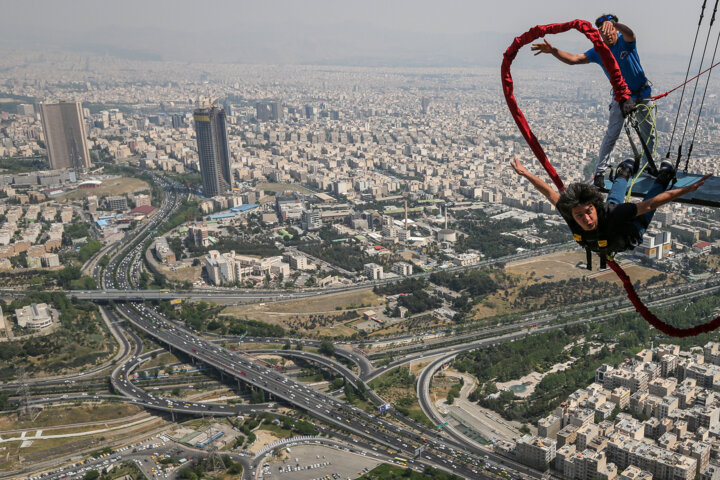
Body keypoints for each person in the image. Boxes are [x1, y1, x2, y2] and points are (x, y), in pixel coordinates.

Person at [510, 156, 711, 268]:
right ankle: (625, 171)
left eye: (588, 211)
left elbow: (649, 204)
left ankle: (663, 176)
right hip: (611, 233)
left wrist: (686, 190)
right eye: (579, 215)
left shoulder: (614, 213)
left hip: (630, 230)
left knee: (635, 207)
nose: (586, 219)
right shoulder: (572, 215)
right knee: (614, 201)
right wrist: (525, 173)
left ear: (594, 207)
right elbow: (550, 194)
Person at [531, 14, 656, 188]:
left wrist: (616, 25)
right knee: (612, 134)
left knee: (648, 133)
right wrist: (553, 51)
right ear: (599, 34)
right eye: (604, 34)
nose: (608, 36)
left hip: (642, 93)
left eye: (611, 31)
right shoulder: (599, 50)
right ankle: (599, 172)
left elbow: (630, 33)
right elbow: (574, 59)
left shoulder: (625, 41)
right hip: (621, 97)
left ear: (615, 29)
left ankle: (648, 167)